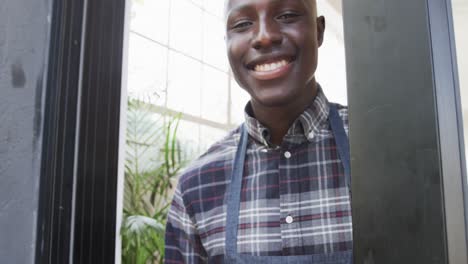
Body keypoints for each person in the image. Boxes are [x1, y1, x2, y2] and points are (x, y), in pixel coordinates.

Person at [165, 0, 352, 262]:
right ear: (227, 42)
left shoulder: (381, 146)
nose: (264, 36)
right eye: (242, 24)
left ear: (318, 31)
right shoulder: (196, 186)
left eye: (287, 15)